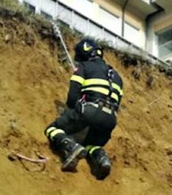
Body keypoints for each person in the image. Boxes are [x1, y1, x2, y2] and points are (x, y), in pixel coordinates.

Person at [44, 38, 124, 180]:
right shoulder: (117, 77)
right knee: (91, 145)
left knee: (52, 129)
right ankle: (101, 157)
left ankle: (71, 147)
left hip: (90, 112)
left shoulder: (84, 67)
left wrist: (70, 111)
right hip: (110, 120)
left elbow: (72, 97)